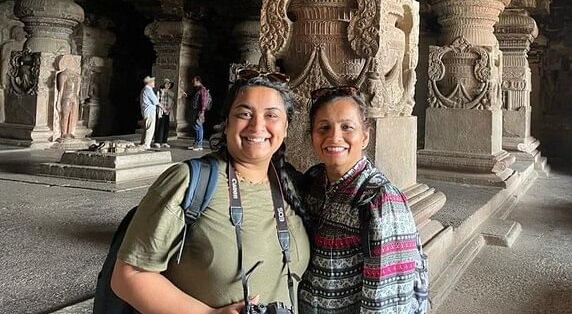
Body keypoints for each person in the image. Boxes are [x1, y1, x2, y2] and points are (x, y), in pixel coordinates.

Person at [111, 70, 310, 313]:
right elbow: (128, 276)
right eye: (245, 114)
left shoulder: (291, 185)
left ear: (286, 127)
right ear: (227, 124)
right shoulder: (189, 181)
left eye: (271, 115)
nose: (257, 125)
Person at [299, 86, 421, 313]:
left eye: (347, 127)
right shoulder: (313, 182)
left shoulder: (380, 200)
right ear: (312, 136)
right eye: (324, 127)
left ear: (365, 136)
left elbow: (387, 301)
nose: (334, 136)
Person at [152, 78, 176, 149]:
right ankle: (157, 141)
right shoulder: (159, 92)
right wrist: (163, 109)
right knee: (159, 126)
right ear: (164, 84)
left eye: (169, 84)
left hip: (167, 112)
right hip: (160, 111)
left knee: (166, 127)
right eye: (166, 83)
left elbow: (172, 102)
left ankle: (164, 142)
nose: (168, 85)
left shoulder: (171, 93)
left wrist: (169, 109)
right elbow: (157, 101)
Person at [189, 75, 210, 151]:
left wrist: (202, 112)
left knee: (198, 126)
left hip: (199, 111)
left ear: (198, 81)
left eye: (194, 81)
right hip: (195, 110)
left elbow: (204, 101)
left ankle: (199, 144)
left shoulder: (202, 89)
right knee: (195, 126)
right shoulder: (197, 89)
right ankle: (196, 143)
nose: (193, 82)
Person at [139, 76, 159, 150]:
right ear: (149, 83)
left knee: (146, 128)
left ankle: (143, 143)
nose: (154, 83)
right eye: (153, 82)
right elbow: (155, 101)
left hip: (146, 112)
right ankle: (146, 144)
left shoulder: (144, 89)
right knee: (150, 129)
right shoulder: (148, 90)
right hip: (150, 112)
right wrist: (163, 108)